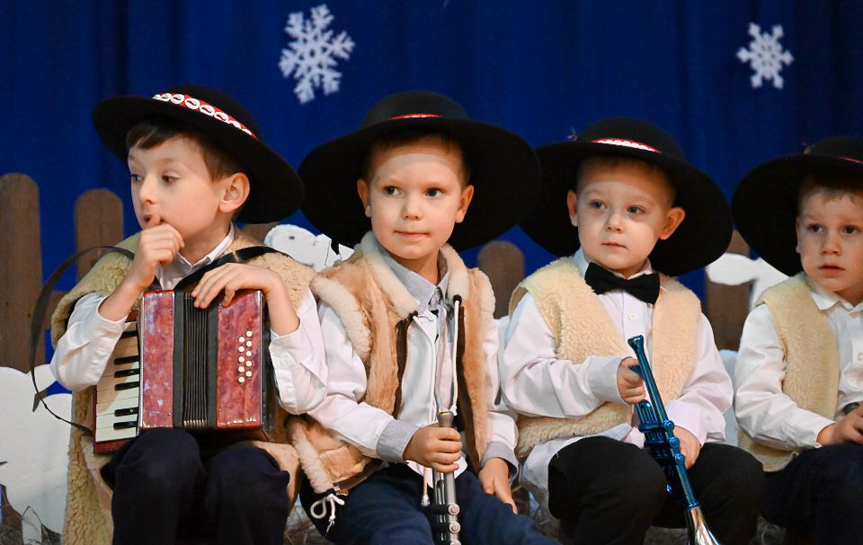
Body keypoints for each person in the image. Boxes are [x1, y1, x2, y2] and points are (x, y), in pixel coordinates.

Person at [50, 84, 327, 545]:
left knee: (248, 472)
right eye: (138, 176)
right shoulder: (119, 269)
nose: (147, 195)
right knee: (166, 452)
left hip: (243, 453)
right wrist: (131, 286)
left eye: (168, 178)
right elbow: (72, 372)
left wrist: (275, 297)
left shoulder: (278, 275)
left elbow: (306, 399)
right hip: (144, 463)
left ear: (231, 192)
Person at [292, 90, 555, 544]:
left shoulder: (471, 292)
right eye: (392, 190)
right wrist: (404, 440)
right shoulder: (345, 291)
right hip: (359, 475)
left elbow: (489, 397)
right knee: (403, 537)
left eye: (434, 192)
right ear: (366, 197)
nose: (411, 210)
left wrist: (494, 455)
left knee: (516, 536)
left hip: (448, 473)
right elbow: (326, 401)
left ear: (462, 203)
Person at [503, 117, 764, 545]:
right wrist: (599, 378)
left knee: (738, 473)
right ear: (573, 208)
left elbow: (709, 388)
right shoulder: (546, 292)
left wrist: (685, 426)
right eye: (598, 206)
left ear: (668, 223)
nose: (614, 223)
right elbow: (518, 382)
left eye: (635, 210)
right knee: (630, 474)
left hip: (661, 459)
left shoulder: (683, 306)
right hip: (573, 454)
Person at [732, 137, 863, 544]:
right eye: (815, 229)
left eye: (850, 230)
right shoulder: (778, 310)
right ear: (796, 233)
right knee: (849, 471)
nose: (830, 246)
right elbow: (754, 405)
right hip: (791, 470)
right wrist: (828, 431)